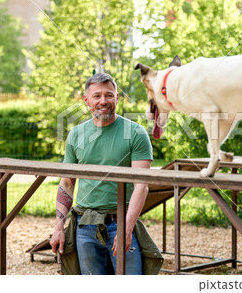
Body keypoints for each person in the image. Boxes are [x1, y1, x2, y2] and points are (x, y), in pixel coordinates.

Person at [49, 72, 159, 275]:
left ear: (117, 97)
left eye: (109, 95)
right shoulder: (76, 134)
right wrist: (58, 227)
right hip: (85, 225)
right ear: (86, 100)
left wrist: (126, 229)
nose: (103, 101)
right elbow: (67, 183)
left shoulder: (135, 133)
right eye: (96, 96)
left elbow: (141, 185)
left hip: (121, 223)